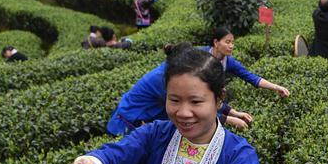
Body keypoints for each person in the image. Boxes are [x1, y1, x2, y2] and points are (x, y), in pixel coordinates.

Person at [67, 44, 263, 164]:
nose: (184, 113)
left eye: (195, 101)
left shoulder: (239, 155)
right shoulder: (156, 134)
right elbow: (117, 155)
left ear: (219, 99)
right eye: (174, 100)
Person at [107, 45, 253, 136]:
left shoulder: (175, 74)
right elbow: (193, 105)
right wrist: (230, 120)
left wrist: (234, 112)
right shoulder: (164, 79)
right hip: (127, 123)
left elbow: (204, 97)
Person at [202, 26, 290, 98]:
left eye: (232, 43)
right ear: (216, 42)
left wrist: (276, 87)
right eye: (227, 42)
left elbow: (251, 77)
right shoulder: (199, 54)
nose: (231, 46)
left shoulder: (229, 62)